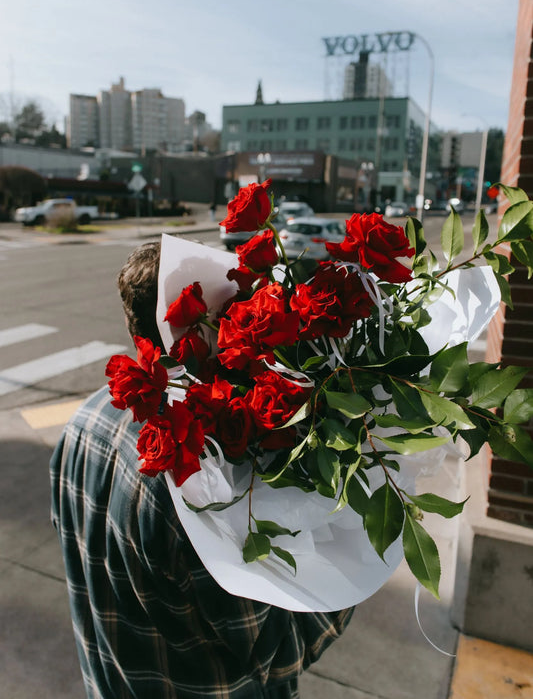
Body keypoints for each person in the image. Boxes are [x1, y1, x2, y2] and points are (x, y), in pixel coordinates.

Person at [50, 240, 354, 699]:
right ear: (200, 325)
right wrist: (350, 559)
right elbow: (279, 651)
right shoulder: (198, 481)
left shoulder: (82, 422)